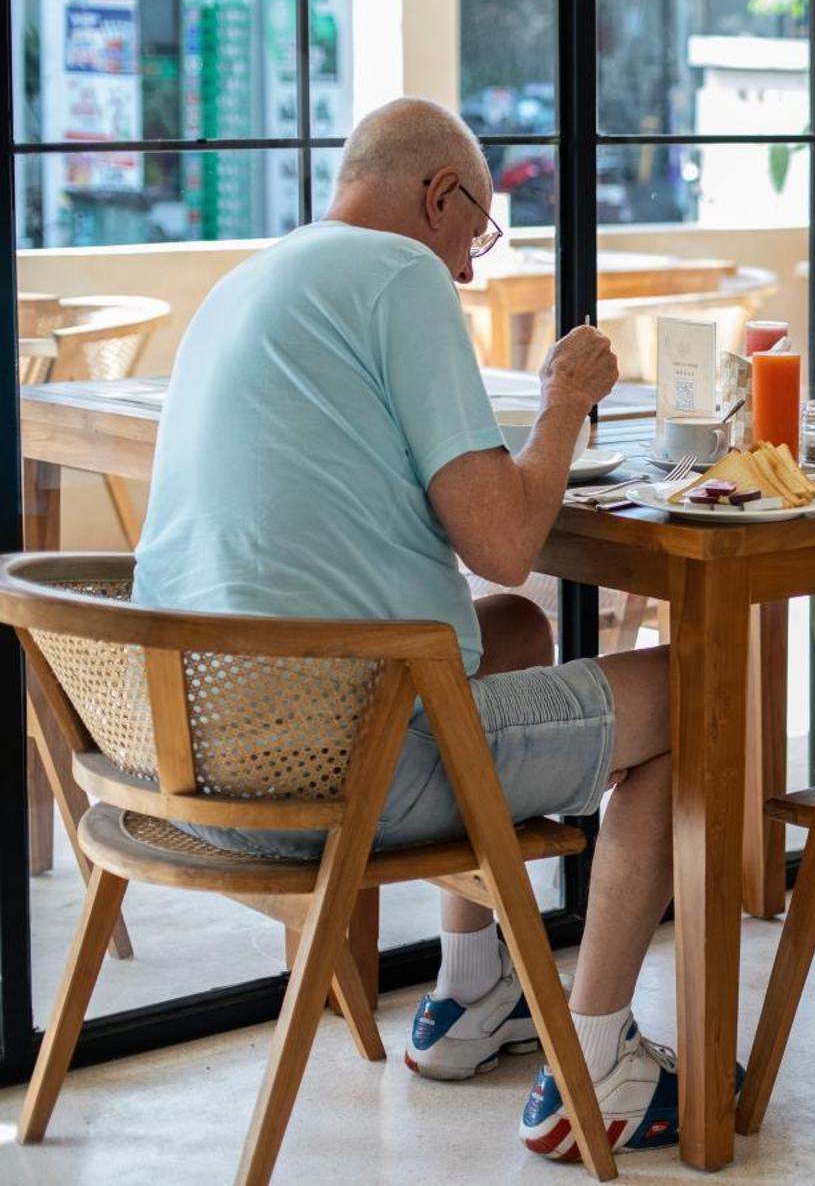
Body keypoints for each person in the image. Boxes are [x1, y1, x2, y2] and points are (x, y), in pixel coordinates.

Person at [134, 97, 686, 1161]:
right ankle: (602, 1062)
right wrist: (566, 400)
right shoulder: (402, 276)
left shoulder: (256, 275)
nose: (471, 271)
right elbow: (504, 537)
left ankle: (468, 998)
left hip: (198, 760)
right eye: (475, 236)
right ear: (440, 195)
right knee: (698, 693)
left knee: (514, 632)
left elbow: (496, 588)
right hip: (342, 770)